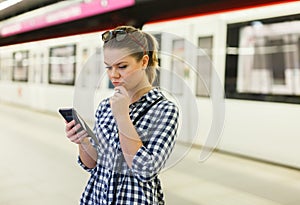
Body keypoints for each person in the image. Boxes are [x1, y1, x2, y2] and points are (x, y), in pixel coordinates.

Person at [65, 25, 179, 205]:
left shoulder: (164, 110)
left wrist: (122, 116)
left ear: (143, 61)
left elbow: (145, 169)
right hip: (96, 199)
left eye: (122, 66)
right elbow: (92, 164)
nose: (113, 75)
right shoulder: (105, 106)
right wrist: (83, 141)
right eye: (108, 67)